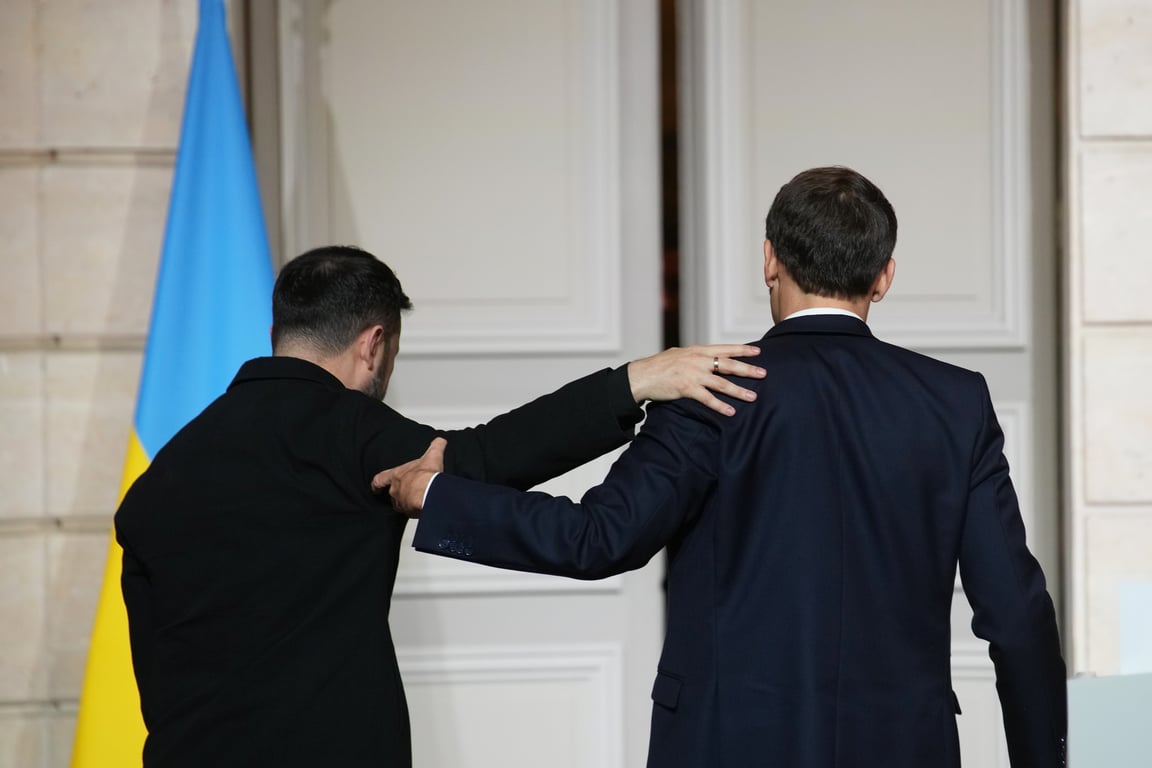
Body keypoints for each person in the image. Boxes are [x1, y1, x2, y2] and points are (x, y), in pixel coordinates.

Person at [380, 168, 1068, 768]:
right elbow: (1016, 617)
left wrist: (439, 495)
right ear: (885, 276)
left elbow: (599, 538)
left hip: (726, 745)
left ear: (769, 260)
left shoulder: (710, 389)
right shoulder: (954, 403)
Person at [113, 245, 765, 768]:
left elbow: (151, 659)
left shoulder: (163, 472)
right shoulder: (350, 433)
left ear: (277, 332)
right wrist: (637, 380)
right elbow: (488, 458)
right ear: (374, 345)